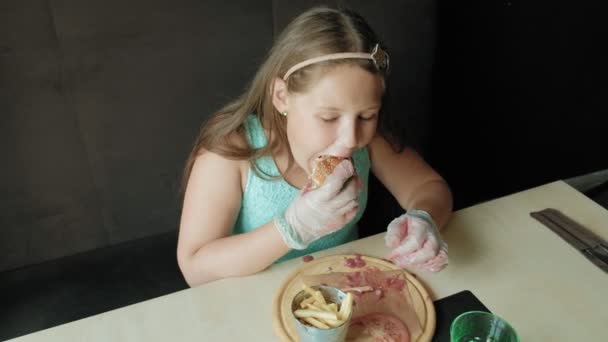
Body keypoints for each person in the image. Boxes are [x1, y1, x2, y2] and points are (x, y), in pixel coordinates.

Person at [177, 6, 452, 287]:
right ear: (282, 97)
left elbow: (428, 187)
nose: (350, 139)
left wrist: (424, 219)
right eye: (329, 117)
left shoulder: (368, 140)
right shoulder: (230, 152)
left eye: (367, 115)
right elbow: (194, 267)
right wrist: (293, 228)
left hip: (344, 286)